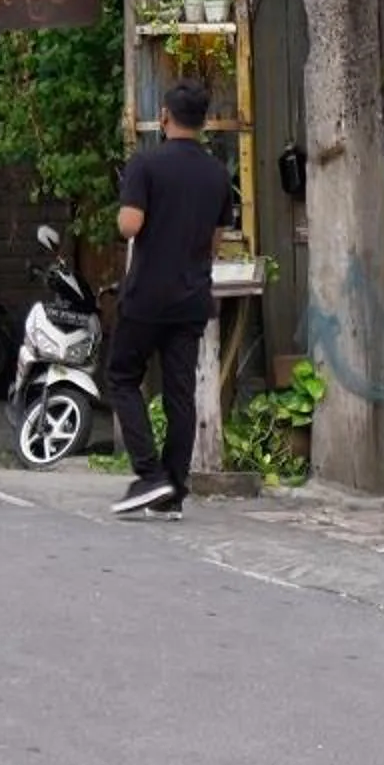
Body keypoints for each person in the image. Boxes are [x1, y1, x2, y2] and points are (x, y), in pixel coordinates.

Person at [107, 79, 230, 518]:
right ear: (203, 122)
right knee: (181, 393)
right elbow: (215, 241)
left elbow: (129, 225)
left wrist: (129, 204)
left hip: (147, 295)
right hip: (193, 296)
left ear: (164, 117)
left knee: (122, 376)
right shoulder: (218, 173)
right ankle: (173, 491)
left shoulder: (146, 163)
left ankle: (150, 475)